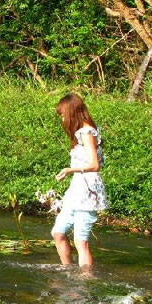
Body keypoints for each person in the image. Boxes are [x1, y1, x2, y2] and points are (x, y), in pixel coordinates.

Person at [51, 93, 108, 268]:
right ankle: (67, 269)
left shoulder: (87, 132)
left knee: (80, 241)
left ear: (71, 112)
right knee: (58, 233)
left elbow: (94, 165)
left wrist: (69, 170)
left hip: (88, 192)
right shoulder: (80, 133)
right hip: (76, 191)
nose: (62, 119)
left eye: (63, 115)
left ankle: (85, 280)